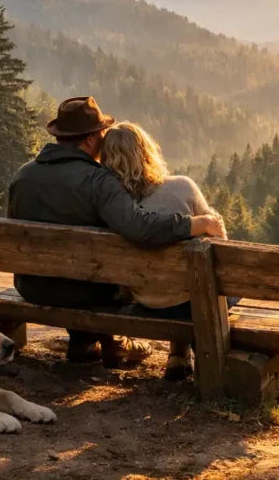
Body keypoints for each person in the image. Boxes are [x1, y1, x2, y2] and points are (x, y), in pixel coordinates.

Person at [7, 96, 226, 369]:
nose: (104, 139)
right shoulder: (98, 181)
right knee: (103, 278)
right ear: (89, 140)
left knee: (83, 267)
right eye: (101, 133)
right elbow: (139, 226)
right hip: (83, 292)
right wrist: (195, 224)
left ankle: (83, 341)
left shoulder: (23, 175)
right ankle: (113, 343)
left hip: (30, 286)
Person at [100, 121, 237, 381]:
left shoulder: (113, 207)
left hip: (148, 301)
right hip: (192, 303)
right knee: (216, 288)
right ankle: (191, 357)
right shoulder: (182, 187)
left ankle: (177, 354)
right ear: (147, 152)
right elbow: (222, 245)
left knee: (177, 284)